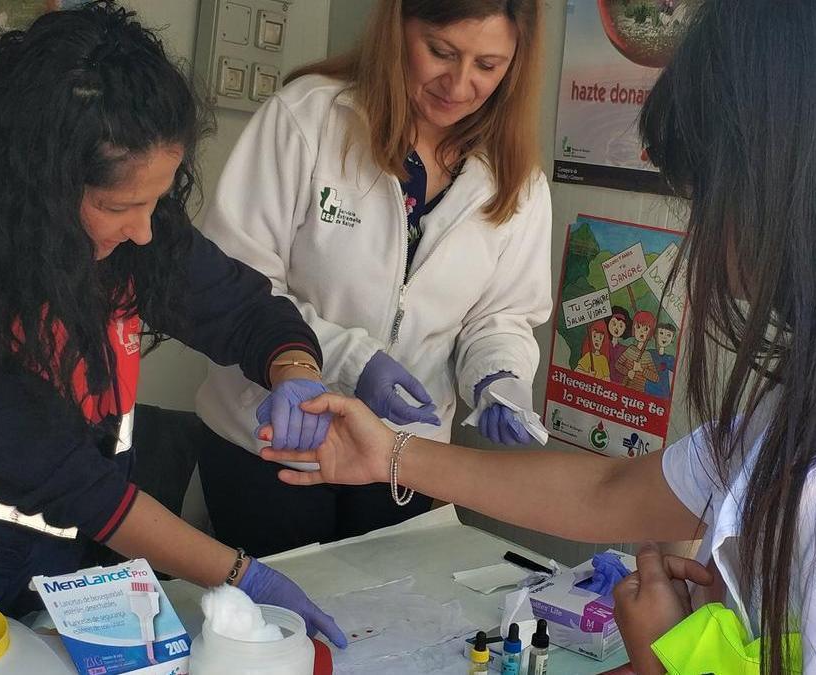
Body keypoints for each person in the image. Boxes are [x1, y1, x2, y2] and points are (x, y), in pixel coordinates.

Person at [259, 0, 816, 671]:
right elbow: (613, 491)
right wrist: (391, 452)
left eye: (707, 193)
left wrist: (667, 660)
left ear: (787, 194)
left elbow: (504, 319)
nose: (701, 230)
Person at [0, 2, 344, 646]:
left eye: (158, 199)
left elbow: (243, 309)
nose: (145, 230)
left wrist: (294, 369)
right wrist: (242, 574)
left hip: (44, 567)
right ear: (38, 188)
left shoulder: (126, 235)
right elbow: (81, 490)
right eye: (121, 206)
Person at [195, 0, 552, 556]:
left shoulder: (516, 179)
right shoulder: (308, 119)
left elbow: (501, 316)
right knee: (276, 605)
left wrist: (499, 374)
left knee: (383, 607)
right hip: (271, 439)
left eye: (488, 65)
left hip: (403, 454)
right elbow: (234, 282)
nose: (460, 85)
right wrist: (352, 361)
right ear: (398, 28)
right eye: (441, 52)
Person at [644, 323, 677, 399]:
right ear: (655, 335)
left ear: (672, 338)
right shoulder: (649, 353)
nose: (664, 337)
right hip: (647, 389)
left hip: (663, 392)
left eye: (668, 335)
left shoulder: (670, 358)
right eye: (661, 333)